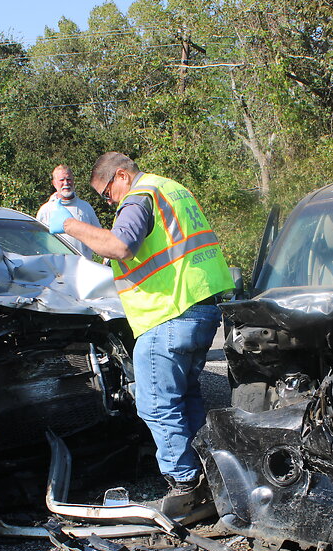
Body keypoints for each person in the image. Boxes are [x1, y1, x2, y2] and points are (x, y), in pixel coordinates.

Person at [48, 152, 234, 517]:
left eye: (106, 193)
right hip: (202, 308)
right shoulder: (172, 189)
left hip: (168, 313)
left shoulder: (139, 196)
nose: (110, 201)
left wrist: (69, 226)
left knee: (156, 404)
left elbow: (122, 245)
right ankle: (212, 477)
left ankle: (185, 486)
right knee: (186, 398)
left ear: (121, 176)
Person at [35, 164, 103, 261]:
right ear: (54, 183)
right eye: (61, 180)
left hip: (83, 267)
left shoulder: (85, 207)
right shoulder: (46, 210)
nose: (66, 183)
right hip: (57, 269)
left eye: (69, 179)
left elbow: (99, 237)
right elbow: (38, 243)